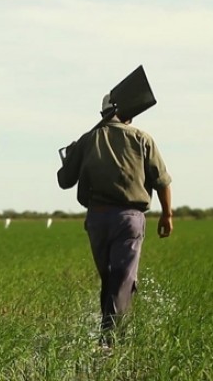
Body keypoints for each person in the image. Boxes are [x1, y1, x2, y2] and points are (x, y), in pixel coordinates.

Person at [57, 93, 173, 348]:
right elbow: (162, 180)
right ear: (128, 112)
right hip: (129, 219)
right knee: (120, 279)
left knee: (111, 279)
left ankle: (108, 336)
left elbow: (65, 180)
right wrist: (167, 214)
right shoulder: (142, 138)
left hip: (97, 219)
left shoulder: (88, 139)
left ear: (103, 114)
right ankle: (110, 343)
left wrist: (71, 154)